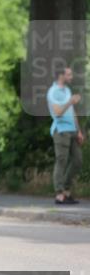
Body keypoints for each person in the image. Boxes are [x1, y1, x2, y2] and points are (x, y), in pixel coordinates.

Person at [47, 65, 83, 205]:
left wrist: (78, 130)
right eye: (69, 74)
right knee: (61, 161)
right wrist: (70, 101)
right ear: (61, 75)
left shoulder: (67, 89)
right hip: (61, 131)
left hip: (72, 130)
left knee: (78, 161)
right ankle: (59, 194)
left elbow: (72, 111)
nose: (71, 77)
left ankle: (66, 190)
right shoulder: (52, 92)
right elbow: (58, 112)